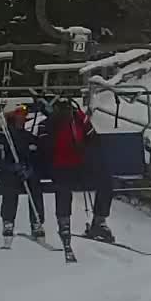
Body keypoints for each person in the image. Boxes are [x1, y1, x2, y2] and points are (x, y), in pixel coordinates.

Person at [37, 95, 116, 251]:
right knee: (63, 186)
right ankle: (64, 222)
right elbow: (43, 147)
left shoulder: (80, 121)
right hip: (59, 166)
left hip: (80, 165)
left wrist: (86, 151)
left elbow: (94, 140)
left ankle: (99, 221)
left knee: (105, 181)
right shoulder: (46, 125)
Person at [0, 104, 45, 244]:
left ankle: (37, 221)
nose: (23, 118)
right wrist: (11, 167)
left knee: (35, 184)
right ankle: (8, 221)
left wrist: (30, 169)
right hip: (9, 172)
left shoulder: (27, 137)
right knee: (10, 186)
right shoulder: (2, 137)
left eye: (24, 115)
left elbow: (37, 155)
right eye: (19, 115)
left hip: (26, 172)